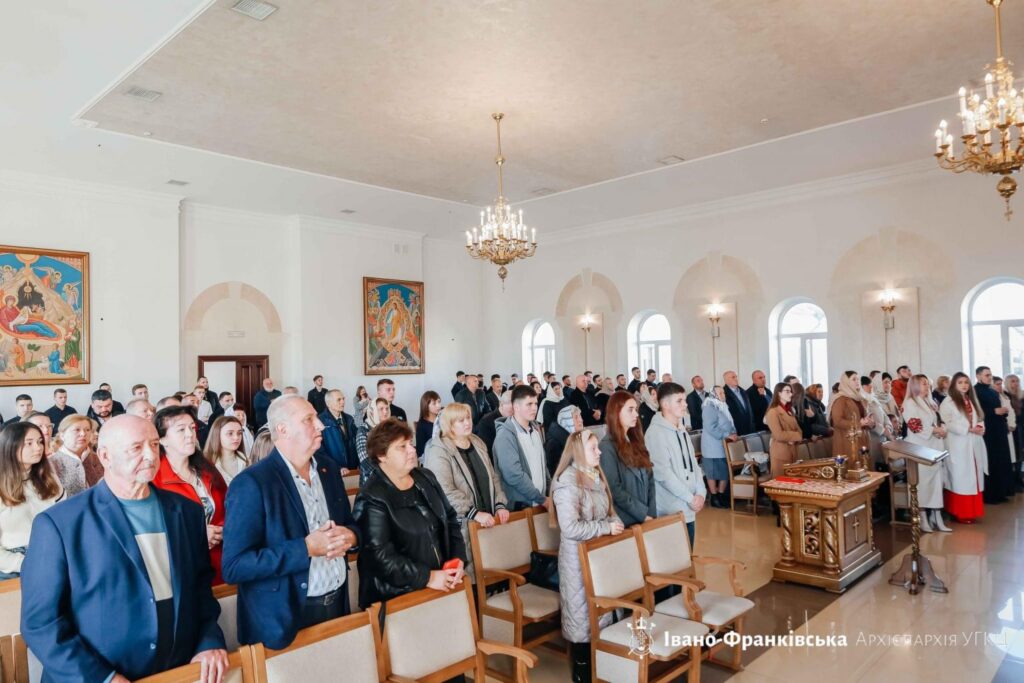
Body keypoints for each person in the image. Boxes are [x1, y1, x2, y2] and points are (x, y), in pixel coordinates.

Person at [21, 414, 228, 682]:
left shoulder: (185, 511)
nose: (151, 455)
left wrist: (209, 641)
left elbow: (200, 588)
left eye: (154, 445)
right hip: (97, 673)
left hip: (176, 669)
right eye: (136, 448)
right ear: (105, 456)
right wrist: (101, 677)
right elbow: (41, 623)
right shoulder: (60, 523)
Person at [222, 395, 359, 649]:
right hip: (284, 617)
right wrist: (305, 549)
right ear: (282, 429)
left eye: (317, 418)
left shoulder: (328, 469)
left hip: (337, 602)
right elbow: (235, 566)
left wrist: (351, 537)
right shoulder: (253, 483)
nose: (320, 425)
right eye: (309, 419)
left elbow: (351, 525)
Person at [354, 418, 466, 609]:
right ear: (382, 455)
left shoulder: (425, 477)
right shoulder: (372, 496)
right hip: (398, 597)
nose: (412, 450)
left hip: (441, 582)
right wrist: (428, 577)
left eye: (411, 444)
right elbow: (381, 558)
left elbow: (450, 520)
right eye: (402, 447)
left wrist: (458, 560)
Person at [551, 430, 624, 683]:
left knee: (604, 613)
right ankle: (582, 675)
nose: (599, 451)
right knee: (582, 620)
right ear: (579, 452)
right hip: (577, 562)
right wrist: (605, 528)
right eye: (593, 448)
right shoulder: (566, 480)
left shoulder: (595, 475)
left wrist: (615, 522)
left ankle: (605, 670)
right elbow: (570, 527)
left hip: (599, 557)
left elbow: (609, 510)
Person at [424, 402, 509, 580]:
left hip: (488, 519)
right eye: (460, 420)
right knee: (472, 577)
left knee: (493, 572)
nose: (467, 423)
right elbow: (444, 489)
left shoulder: (477, 442)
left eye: (468, 418)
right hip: (461, 525)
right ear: (449, 424)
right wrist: (474, 512)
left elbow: (493, 476)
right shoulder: (438, 450)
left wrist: (500, 504)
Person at [153, 406, 228, 585]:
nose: (190, 435)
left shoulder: (207, 470)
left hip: (217, 562)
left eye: (192, 428)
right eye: (181, 430)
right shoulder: (155, 478)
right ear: (162, 439)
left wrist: (223, 530)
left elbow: (227, 508)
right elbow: (155, 529)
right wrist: (198, 535)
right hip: (180, 569)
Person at [0, 422, 65, 579]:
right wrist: (27, 564)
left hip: (54, 554)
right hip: (15, 562)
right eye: (29, 443)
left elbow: (65, 519)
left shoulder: (49, 477)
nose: (38, 447)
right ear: (10, 446)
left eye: (40, 441)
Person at [645, 383, 705, 547]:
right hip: (671, 509)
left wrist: (701, 492)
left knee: (688, 556)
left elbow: (694, 463)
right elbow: (663, 474)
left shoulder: (681, 429)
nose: (685, 404)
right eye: (679, 401)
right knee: (675, 563)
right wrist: (690, 498)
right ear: (665, 404)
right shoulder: (655, 433)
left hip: (689, 507)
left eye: (684, 400)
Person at [599, 391, 655, 527]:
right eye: (630, 410)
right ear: (616, 412)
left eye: (635, 409)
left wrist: (651, 512)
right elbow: (614, 489)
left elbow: (650, 477)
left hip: (646, 515)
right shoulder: (607, 446)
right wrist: (642, 513)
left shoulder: (635, 440)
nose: (636, 414)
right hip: (626, 520)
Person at [903, 375, 951, 532]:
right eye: (923, 384)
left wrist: (942, 428)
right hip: (920, 447)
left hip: (934, 445)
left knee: (936, 481)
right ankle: (922, 516)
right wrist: (935, 430)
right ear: (915, 385)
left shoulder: (930, 401)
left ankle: (936, 516)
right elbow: (915, 426)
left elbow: (938, 419)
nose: (927, 387)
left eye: (928, 384)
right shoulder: (909, 403)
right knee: (922, 482)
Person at [492, 386, 550, 511]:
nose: (534, 408)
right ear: (516, 407)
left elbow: (543, 466)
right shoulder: (505, 435)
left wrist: (548, 492)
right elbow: (513, 475)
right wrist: (541, 498)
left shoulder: (535, 430)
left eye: (535, 403)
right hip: (521, 506)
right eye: (529, 404)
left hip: (540, 501)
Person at [940, 373, 987, 523]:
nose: (964, 385)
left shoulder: (970, 399)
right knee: (961, 477)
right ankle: (960, 512)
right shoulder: (948, 402)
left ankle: (972, 511)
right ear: (954, 384)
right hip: (958, 443)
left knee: (973, 476)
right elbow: (947, 422)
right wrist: (968, 428)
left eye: (966, 382)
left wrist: (980, 427)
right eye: (960, 382)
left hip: (973, 443)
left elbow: (979, 418)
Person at [975, 366, 1013, 503]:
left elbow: (999, 407)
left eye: (990, 375)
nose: (990, 377)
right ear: (978, 376)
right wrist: (993, 411)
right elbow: (977, 410)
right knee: (991, 461)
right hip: (988, 432)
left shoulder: (992, 390)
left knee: (1001, 460)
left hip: (999, 429)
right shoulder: (975, 391)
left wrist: (1003, 412)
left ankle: (1001, 492)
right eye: (986, 375)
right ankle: (991, 495)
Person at [49, 414, 103, 496]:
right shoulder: (51, 463)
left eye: (87, 430)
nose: (83, 434)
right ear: (62, 435)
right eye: (77, 430)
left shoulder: (99, 458)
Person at [701, 386, 736, 508]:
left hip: (722, 444)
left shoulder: (721, 405)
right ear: (713, 394)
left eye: (723, 392)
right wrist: (727, 435)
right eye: (720, 392)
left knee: (723, 471)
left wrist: (732, 433)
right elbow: (711, 427)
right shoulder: (709, 407)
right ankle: (714, 497)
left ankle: (720, 495)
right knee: (712, 472)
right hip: (712, 446)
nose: (723, 394)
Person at [828, 371, 873, 457]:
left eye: (858, 379)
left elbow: (863, 417)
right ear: (846, 382)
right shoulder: (840, 399)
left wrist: (870, 422)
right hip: (846, 441)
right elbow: (837, 421)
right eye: (854, 379)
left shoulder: (859, 398)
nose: (857, 381)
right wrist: (859, 424)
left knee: (864, 465)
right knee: (852, 467)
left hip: (862, 438)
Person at [765, 383, 804, 478]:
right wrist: (795, 436)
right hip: (780, 452)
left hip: (792, 450)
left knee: (792, 483)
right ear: (779, 393)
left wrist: (793, 437)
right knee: (781, 484)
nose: (791, 394)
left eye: (791, 391)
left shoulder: (789, 410)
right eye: (787, 391)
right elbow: (778, 435)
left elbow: (800, 432)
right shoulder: (773, 412)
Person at [317, 389, 358, 472]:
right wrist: (337, 467)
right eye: (339, 400)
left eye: (343, 399)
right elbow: (320, 451)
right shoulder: (320, 421)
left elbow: (356, 442)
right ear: (328, 404)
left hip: (353, 469)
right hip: (333, 470)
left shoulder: (349, 418)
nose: (343, 402)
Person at [204, 416, 249, 486]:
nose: (236, 437)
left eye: (239, 433)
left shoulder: (246, 462)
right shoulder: (206, 464)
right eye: (230, 433)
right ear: (217, 434)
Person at [356, 398, 390, 483]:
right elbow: (364, 460)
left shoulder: (390, 429)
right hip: (372, 480)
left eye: (387, 408)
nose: (385, 412)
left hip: (391, 478)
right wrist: (385, 474)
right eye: (381, 409)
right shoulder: (363, 429)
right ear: (372, 411)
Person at [546, 405, 582, 476]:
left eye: (580, 416)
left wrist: (597, 478)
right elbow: (557, 475)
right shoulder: (554, 444)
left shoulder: (576, 438)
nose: (581, 420)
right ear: (567, 421)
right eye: (576, 417)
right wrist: (596, 479)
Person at [476, 390, 512, 455]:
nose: (515, 411)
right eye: (512, 408)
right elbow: (487, 451)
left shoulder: (513, 419)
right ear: (501, 404)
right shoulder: (486, 422)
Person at [723, 371, 756, 435]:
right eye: (733, 377)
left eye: (736, 376)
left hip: (750, 430)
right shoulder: (723, 394)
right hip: (736, 432)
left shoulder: (743, 392)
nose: (736, 378)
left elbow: (749, 411)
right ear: (726, 380)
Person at [415, 390, 442, 460]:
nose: (438, 405)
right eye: (434, 403)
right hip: (431, 459)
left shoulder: (443, 419)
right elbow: (420, 451)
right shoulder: (422, 425)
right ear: (426, 406)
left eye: (439, 402)